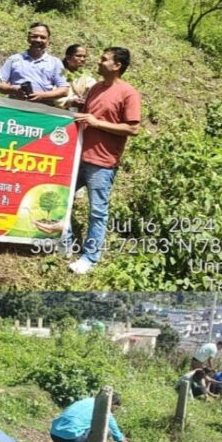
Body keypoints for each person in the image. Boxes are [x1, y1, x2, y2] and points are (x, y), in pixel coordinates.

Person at [68, 47, 141, 275]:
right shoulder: (96, 88)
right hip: (78, 156)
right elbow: (89, 113)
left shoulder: (128, 93)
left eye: (104, 59)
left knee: (97, 211)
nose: (98, 62)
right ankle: (67, 242)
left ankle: (90, 257)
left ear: (117, 66)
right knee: (62, 200)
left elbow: (132, 128)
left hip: (102, 162)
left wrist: (96, 123)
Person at [50, 393, 142, 442]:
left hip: (54, 434)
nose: (114, 411)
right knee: (107, 431)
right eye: (116, 408)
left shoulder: (86, 400)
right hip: (71, 439)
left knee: (77, 426)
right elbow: (120, 439)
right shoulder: (105, 412)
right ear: (112, 403)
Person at [0, 23, 69, 104]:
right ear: (28, 38)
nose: (38, 40)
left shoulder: (56, 63)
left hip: (43, 111)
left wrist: (42, 96)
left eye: (43, 37)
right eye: (34, 36)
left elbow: (64, 90)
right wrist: (15, 90)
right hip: (15, 108)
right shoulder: (13, 59)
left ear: (48, 41)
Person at [60, 43, 96, 109]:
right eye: (78, 56)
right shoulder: (59, 74)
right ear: (68, 57)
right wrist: (70, 102)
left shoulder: (87, 78)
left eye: (84, 56)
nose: (82, 59)